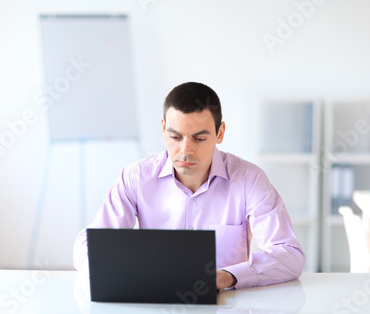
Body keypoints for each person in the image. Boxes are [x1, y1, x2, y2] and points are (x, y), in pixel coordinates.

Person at [73, 82, 305, 290]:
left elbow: (289, 256)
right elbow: (88, 245)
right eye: (175, 137)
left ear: (220, 133)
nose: (185, 151)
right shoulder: (136, 177)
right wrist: (118, 273)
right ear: (163, 128)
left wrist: (227, 276)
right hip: (153, 306)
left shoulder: (249, 180)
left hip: (225, 308)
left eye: (199, 139)